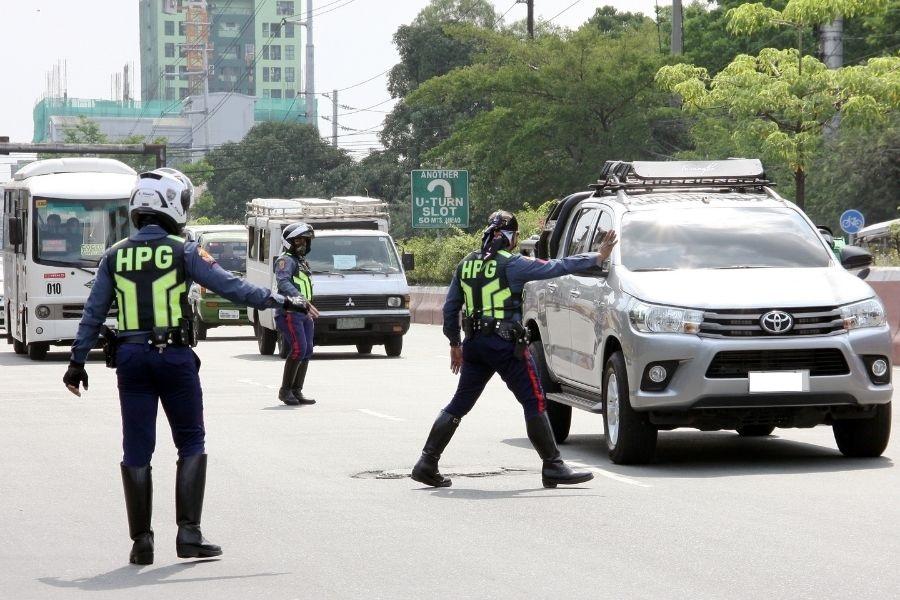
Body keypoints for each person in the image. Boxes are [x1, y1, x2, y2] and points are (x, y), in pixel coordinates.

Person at [62, 168, 310, 566]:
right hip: (174, 356)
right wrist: (281, 300)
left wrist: (76, 362)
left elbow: (93, 314)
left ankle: (141, 542)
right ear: (172, 204)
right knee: (191, 441)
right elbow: (233, 286)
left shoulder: (113, 255)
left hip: (131, 358)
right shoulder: (185, 250)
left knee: (137, 448)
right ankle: (188, 534)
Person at [411, 210, 618, 489]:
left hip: (475, 345)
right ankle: (553, 465)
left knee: (460, 404)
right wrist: (597, 257)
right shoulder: (513, 264)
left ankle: (426, 462)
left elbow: (450, 308)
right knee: (534, 400)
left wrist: (454, 343)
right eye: (516, 236)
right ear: (510, 237)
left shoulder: (466, 264)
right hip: (506, 347)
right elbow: (556, 267)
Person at [274, 222, 319, 406]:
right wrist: (302, 300)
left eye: (305, 240)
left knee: (307, 350)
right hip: (290, 311)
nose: (304, 244)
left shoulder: (301, 262)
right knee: (299, 348)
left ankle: (296, 390)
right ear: (289, 242)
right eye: (299, 240)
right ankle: (285, 391)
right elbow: (283, 283)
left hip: (304, 313)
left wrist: (307, 305)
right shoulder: (285, 260)